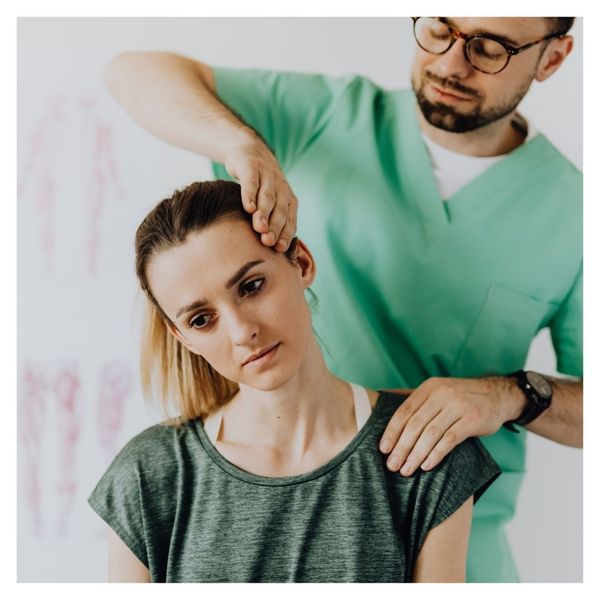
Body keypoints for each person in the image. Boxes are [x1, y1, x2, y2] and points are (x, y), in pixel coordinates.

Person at [102, 17, 582, 582]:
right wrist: (242, 146)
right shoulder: (324, 117)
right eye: (439, 29)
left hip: (451, 535)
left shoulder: (575, 214)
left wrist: (509, 395)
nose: (452, 63)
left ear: (551, 59)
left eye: (490, 48)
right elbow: (131, 71)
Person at [87, 180, 500, 582]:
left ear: (301, 262)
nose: (241, 331)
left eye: (251, 287)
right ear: (183, 338)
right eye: (201, 319)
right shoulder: (147, 476)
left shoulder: (427, 450)